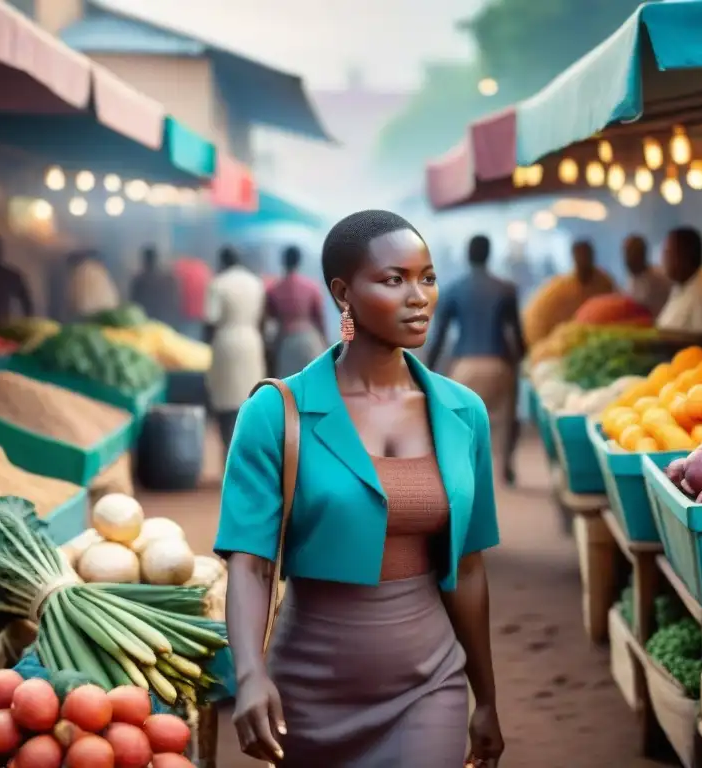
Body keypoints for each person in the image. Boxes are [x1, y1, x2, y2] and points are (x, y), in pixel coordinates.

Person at [217, 210, 503, 767]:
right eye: (394, 280)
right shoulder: (277, 413)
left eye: (427, 277)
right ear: (343, 293)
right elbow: (248, 564)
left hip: (430, 683)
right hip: (307, 695)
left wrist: (486, 697)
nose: (419, 296)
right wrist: (249, 674)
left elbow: (468, 568)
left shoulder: (464, 413)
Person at [427, 234, 525, 486]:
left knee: (460, 422)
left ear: (467, 256)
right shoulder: (506, 289)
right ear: (489, 254)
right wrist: (520, 364)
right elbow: (518, 337)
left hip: (464, 366)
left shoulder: (452, 290)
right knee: (506, 418)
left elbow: (438, 338)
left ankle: (462, 471)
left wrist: (425, 369)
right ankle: (506, 466)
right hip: (499, 362)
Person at [204, 246, 266, 453]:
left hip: (226, 343)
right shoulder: (256, 283)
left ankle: (228, 453)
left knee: (224, 402)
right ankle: (248, 456)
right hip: (251, 342)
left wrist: (206, 347)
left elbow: (210, 320)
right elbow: (263, 319)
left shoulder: (218, 284)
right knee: (249, 400)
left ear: (222, 261)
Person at [522, 239, 615, 348]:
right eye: (580, 256)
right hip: (555, 346)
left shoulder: (603, 283)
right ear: (574, 258)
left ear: (592, 256)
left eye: (586, 255)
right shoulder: (558, 290)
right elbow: (535, 320)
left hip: (598, 341)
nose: (583, 260)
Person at [265, 245, 327, 378]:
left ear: (283, 262)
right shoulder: (311, 287)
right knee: (312, 383)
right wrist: (325, 341)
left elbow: (269, 319)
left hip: (285, 342)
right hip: (309, 340)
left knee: (289, 388)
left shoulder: (274, 289)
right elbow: (319, 319)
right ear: (299, 262)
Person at [129, 245, 181, 326]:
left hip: (146, 322)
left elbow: (134, 303)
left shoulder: (139, 280)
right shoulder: (168, 278)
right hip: (166, 322)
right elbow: (175, 302)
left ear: (144, 260)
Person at [623, 234, 672, 317]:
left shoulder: (661, 277)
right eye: (627, 253)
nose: (630, 258)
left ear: (643, 254)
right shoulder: (629, 282)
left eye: (634, 253)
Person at [67, 250, 119, 320]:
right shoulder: (98, 270)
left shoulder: (84, 271)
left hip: (91, 314)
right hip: (105, 313)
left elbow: (77, 300)